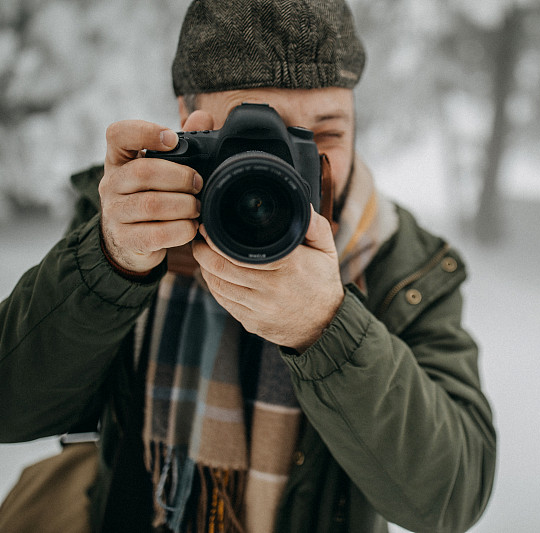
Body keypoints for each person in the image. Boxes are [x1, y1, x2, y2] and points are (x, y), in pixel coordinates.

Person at [0, 1, 496, 531]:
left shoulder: (405, 265)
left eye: (325, 136)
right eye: (260, 136)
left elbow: (451, 497)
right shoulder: (130, 224)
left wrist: (326, 329)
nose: (293, 169)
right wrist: (110, 265)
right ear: (188, 120)